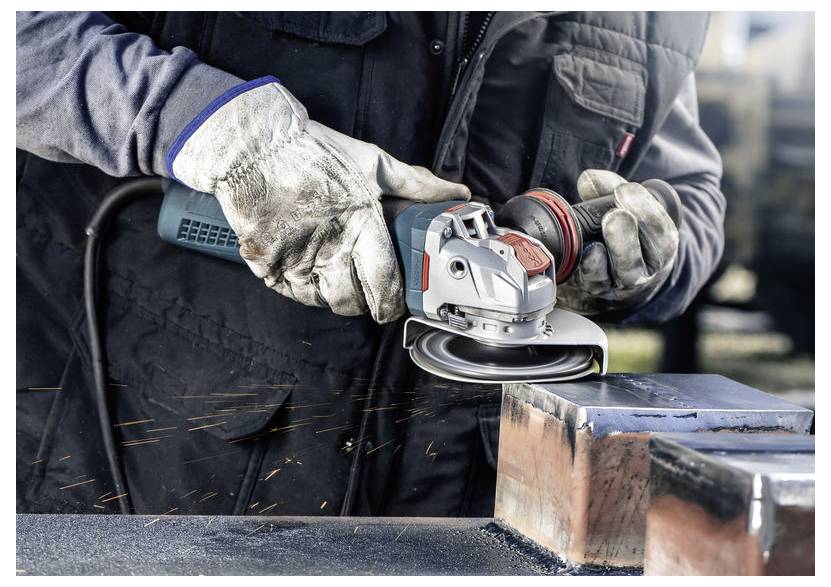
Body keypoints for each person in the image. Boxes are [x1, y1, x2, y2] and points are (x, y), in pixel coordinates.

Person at [16, 11, 724, 516]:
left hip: (469, 501)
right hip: (145, 456)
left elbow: (692, 198)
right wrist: (204, 125)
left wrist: (649, 254)